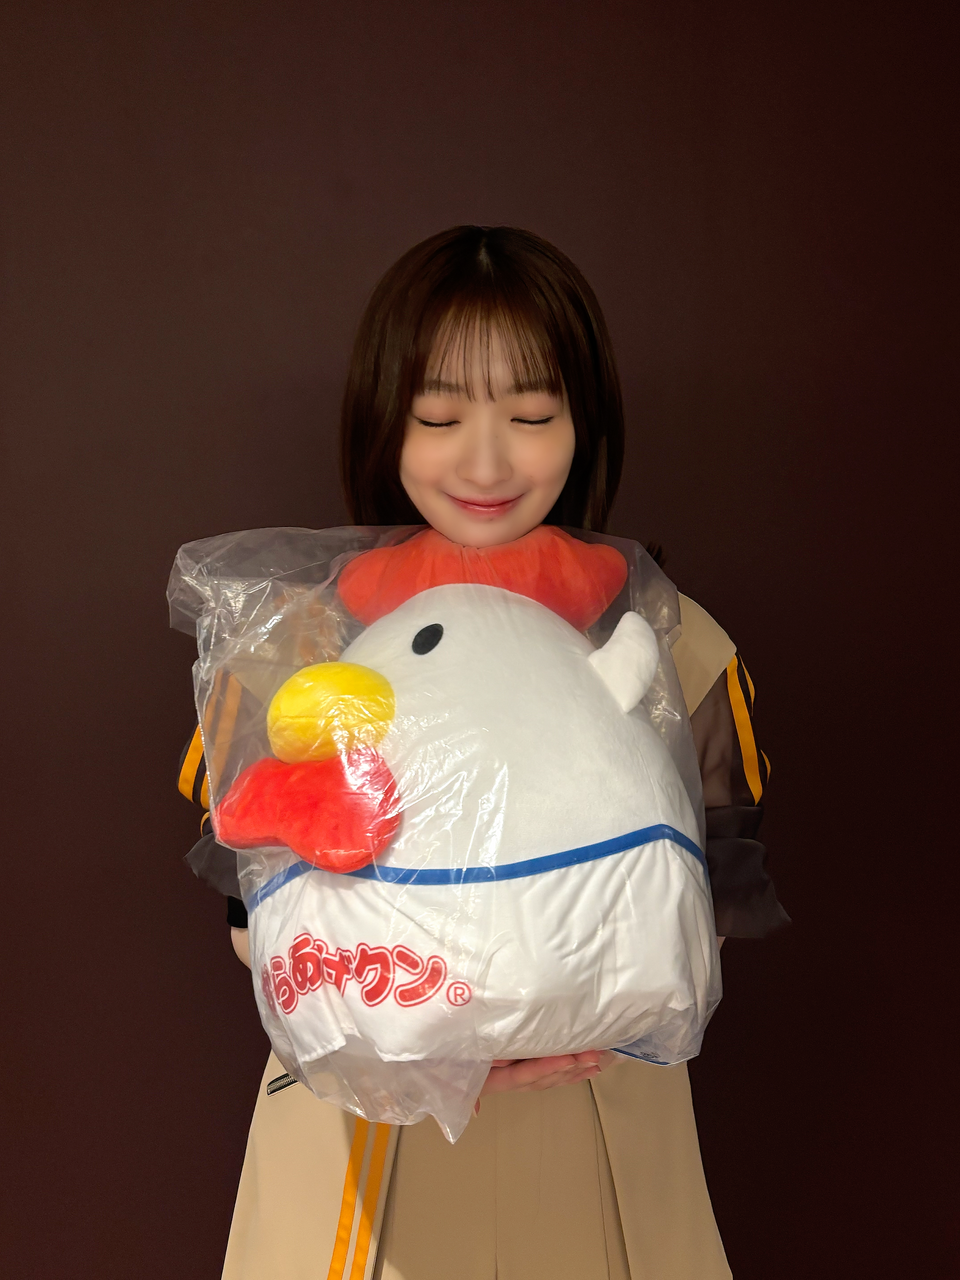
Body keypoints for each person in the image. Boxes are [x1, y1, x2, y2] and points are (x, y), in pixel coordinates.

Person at [177, 225, 787, 1279]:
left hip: (590, 1108)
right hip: (365, 1125)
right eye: (441, 416)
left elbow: (708, 903)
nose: (488, 461)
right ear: (385, 422)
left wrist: (551, 1005)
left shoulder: (663, 640)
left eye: (532, 415)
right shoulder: (297, 642)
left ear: (583, 422)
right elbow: (252, 913)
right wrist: (421, 1039)